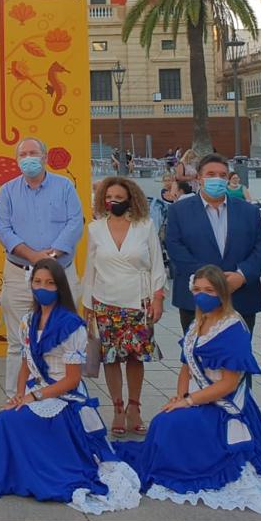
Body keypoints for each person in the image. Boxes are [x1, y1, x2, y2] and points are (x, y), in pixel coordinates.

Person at [116, 266, 261, 513]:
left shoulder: (232, 329)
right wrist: (180, 395)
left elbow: (228, 384)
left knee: (171, 425)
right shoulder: (198, 323)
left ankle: (194, 468)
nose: (201, 295)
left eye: (208, 290)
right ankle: (176, 464)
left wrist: (188, 401)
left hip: (225, 408)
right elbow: (186, 365)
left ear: (222, 293)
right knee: (164, 421)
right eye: (197, 289)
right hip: (199, 398)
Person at [0, 259, 140, 513]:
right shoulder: (28, 320)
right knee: (2, 421)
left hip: (65, 398)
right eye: (38, 282)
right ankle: (17, 471)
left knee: (10, 423)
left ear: (59, 287)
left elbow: (72, 380)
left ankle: (32, 471)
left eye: (49, 283)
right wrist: (19, 395)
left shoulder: (71, 325)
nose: (43, 288)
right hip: (37, 390)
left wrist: (35, 396)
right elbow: (24, 363)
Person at [0, 137, 83, 398]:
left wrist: (51, 256)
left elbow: (74, 223)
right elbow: (4, 230)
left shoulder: (65, 187)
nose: (28, 158)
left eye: (34, 153)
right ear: (17, 160)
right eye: (23, 154)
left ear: (44, 157)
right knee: (17, 343)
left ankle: (62, 396)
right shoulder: (8, 190)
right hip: (19, 276)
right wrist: (34, 257)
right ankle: (15, 399)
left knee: (64, 338)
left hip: (61, 274)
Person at [83, 177, 166, 436]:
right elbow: (90, 267)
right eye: (109, 198)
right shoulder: (95, 228)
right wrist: (87, 305)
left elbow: (156, 265)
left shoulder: (145, 225)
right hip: (104, 301)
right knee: (110, 358)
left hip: (138, 303)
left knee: (135, 357)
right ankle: (117, 407)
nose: (113, 202)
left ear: (131, 199)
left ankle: (134, 407)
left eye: (119, 198)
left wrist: (158, 297)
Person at [165, 153, 261, 335]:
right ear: (199, 178)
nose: (218, 179)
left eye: (222, 175)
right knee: (198, 358)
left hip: (240, 297)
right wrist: (209, 281)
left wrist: (242, 275)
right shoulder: (179, 210)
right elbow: (175, 247)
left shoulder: (248, 211)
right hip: (197, 299)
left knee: (236, 359)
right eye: (211, 174)